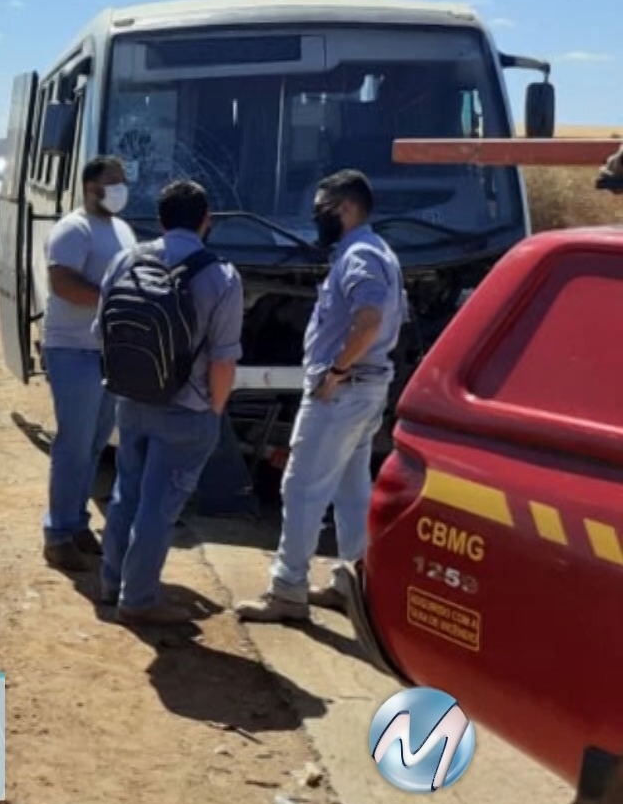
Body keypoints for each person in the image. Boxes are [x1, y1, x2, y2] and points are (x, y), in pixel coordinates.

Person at [237, 169, 405, 623]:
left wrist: (336, 370)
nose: (316, 216)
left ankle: (287, 588)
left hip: (343, 392)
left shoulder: (360, 257)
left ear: (346, 209)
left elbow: (368, 320)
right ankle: (352, 584)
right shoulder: (378, 251)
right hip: (365, 390)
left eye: (322, 208)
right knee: (351, 491)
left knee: (302, 486)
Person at [95, 180, 242, 624]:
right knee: (158, 508)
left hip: (132, 401)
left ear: (159, 220)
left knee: (127, 494)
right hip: (188, 411)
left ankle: (110, 581)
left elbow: (102, 334)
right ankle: (138, 600)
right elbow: (223, 360)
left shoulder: (124, 260)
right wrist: (214, 410)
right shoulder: (221, 276)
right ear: (206, 221)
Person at [39, 155, 136, 572]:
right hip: (72, 351)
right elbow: (62, 283)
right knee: (73, 445)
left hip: (107, 353)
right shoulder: (73, 229)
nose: (119, 189)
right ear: (89, 187)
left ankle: (77, 523)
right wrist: (113, 302)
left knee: (95, 445)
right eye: (111, 182)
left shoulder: (122, 229)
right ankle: (57, 534)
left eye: (122, 181)